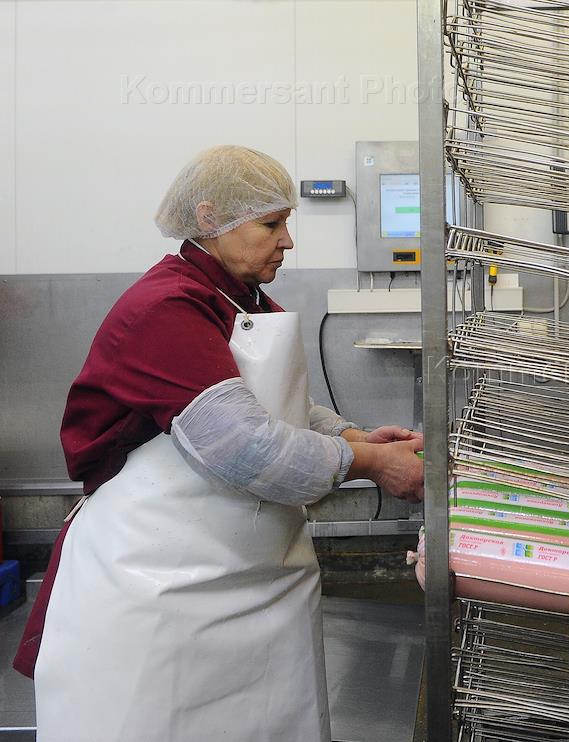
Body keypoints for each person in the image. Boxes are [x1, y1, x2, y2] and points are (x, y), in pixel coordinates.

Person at [13, 145, 425, 742]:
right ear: (209, 219)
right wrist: (373, 463)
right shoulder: (166, 309)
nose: (287, 242)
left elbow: (272, 404)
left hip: (251, 572)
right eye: (271, 224)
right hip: (160, 582)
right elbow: (244, 448)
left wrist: (353, 436)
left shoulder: (239, 298)